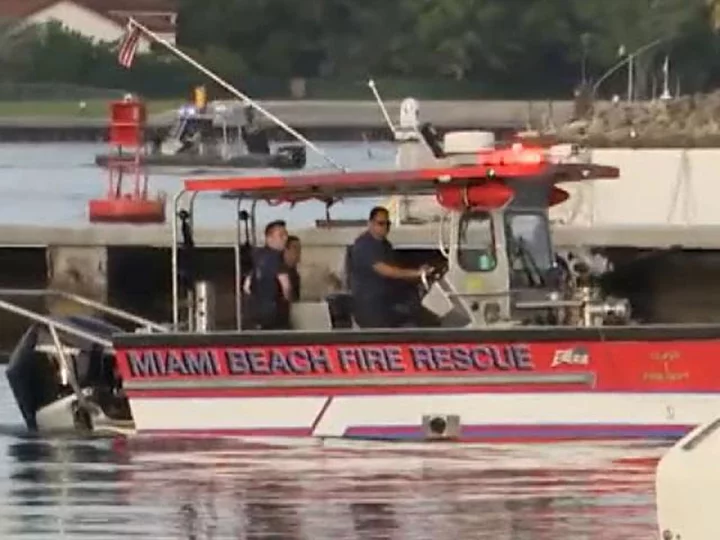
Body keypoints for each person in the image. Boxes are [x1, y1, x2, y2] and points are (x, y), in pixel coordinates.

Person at [349, 206, 431, 328]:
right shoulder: (364, 245)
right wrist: (417, 273)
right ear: (370, 223)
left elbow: (397, 269)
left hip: (387, 303)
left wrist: (417, 276)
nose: (385, 227)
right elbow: (386, 270)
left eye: (388, 223)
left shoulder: (385, 245)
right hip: (371, 307)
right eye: (381, 223)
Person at [243, 220, 292, 329]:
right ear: (269, 238)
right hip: (276, 315)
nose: (285, 239)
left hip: (256, 314)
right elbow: (286, 286)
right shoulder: (277, 258)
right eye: (281, 235)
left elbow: (246, 287)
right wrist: (288, 301)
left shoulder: (256, 256)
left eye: (286, 235)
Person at [284, 235, 302, 302]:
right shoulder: (279, 271)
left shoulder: (295, 273)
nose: (298, 253)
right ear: (285, 250)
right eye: (295, 249)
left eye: (299, 249)